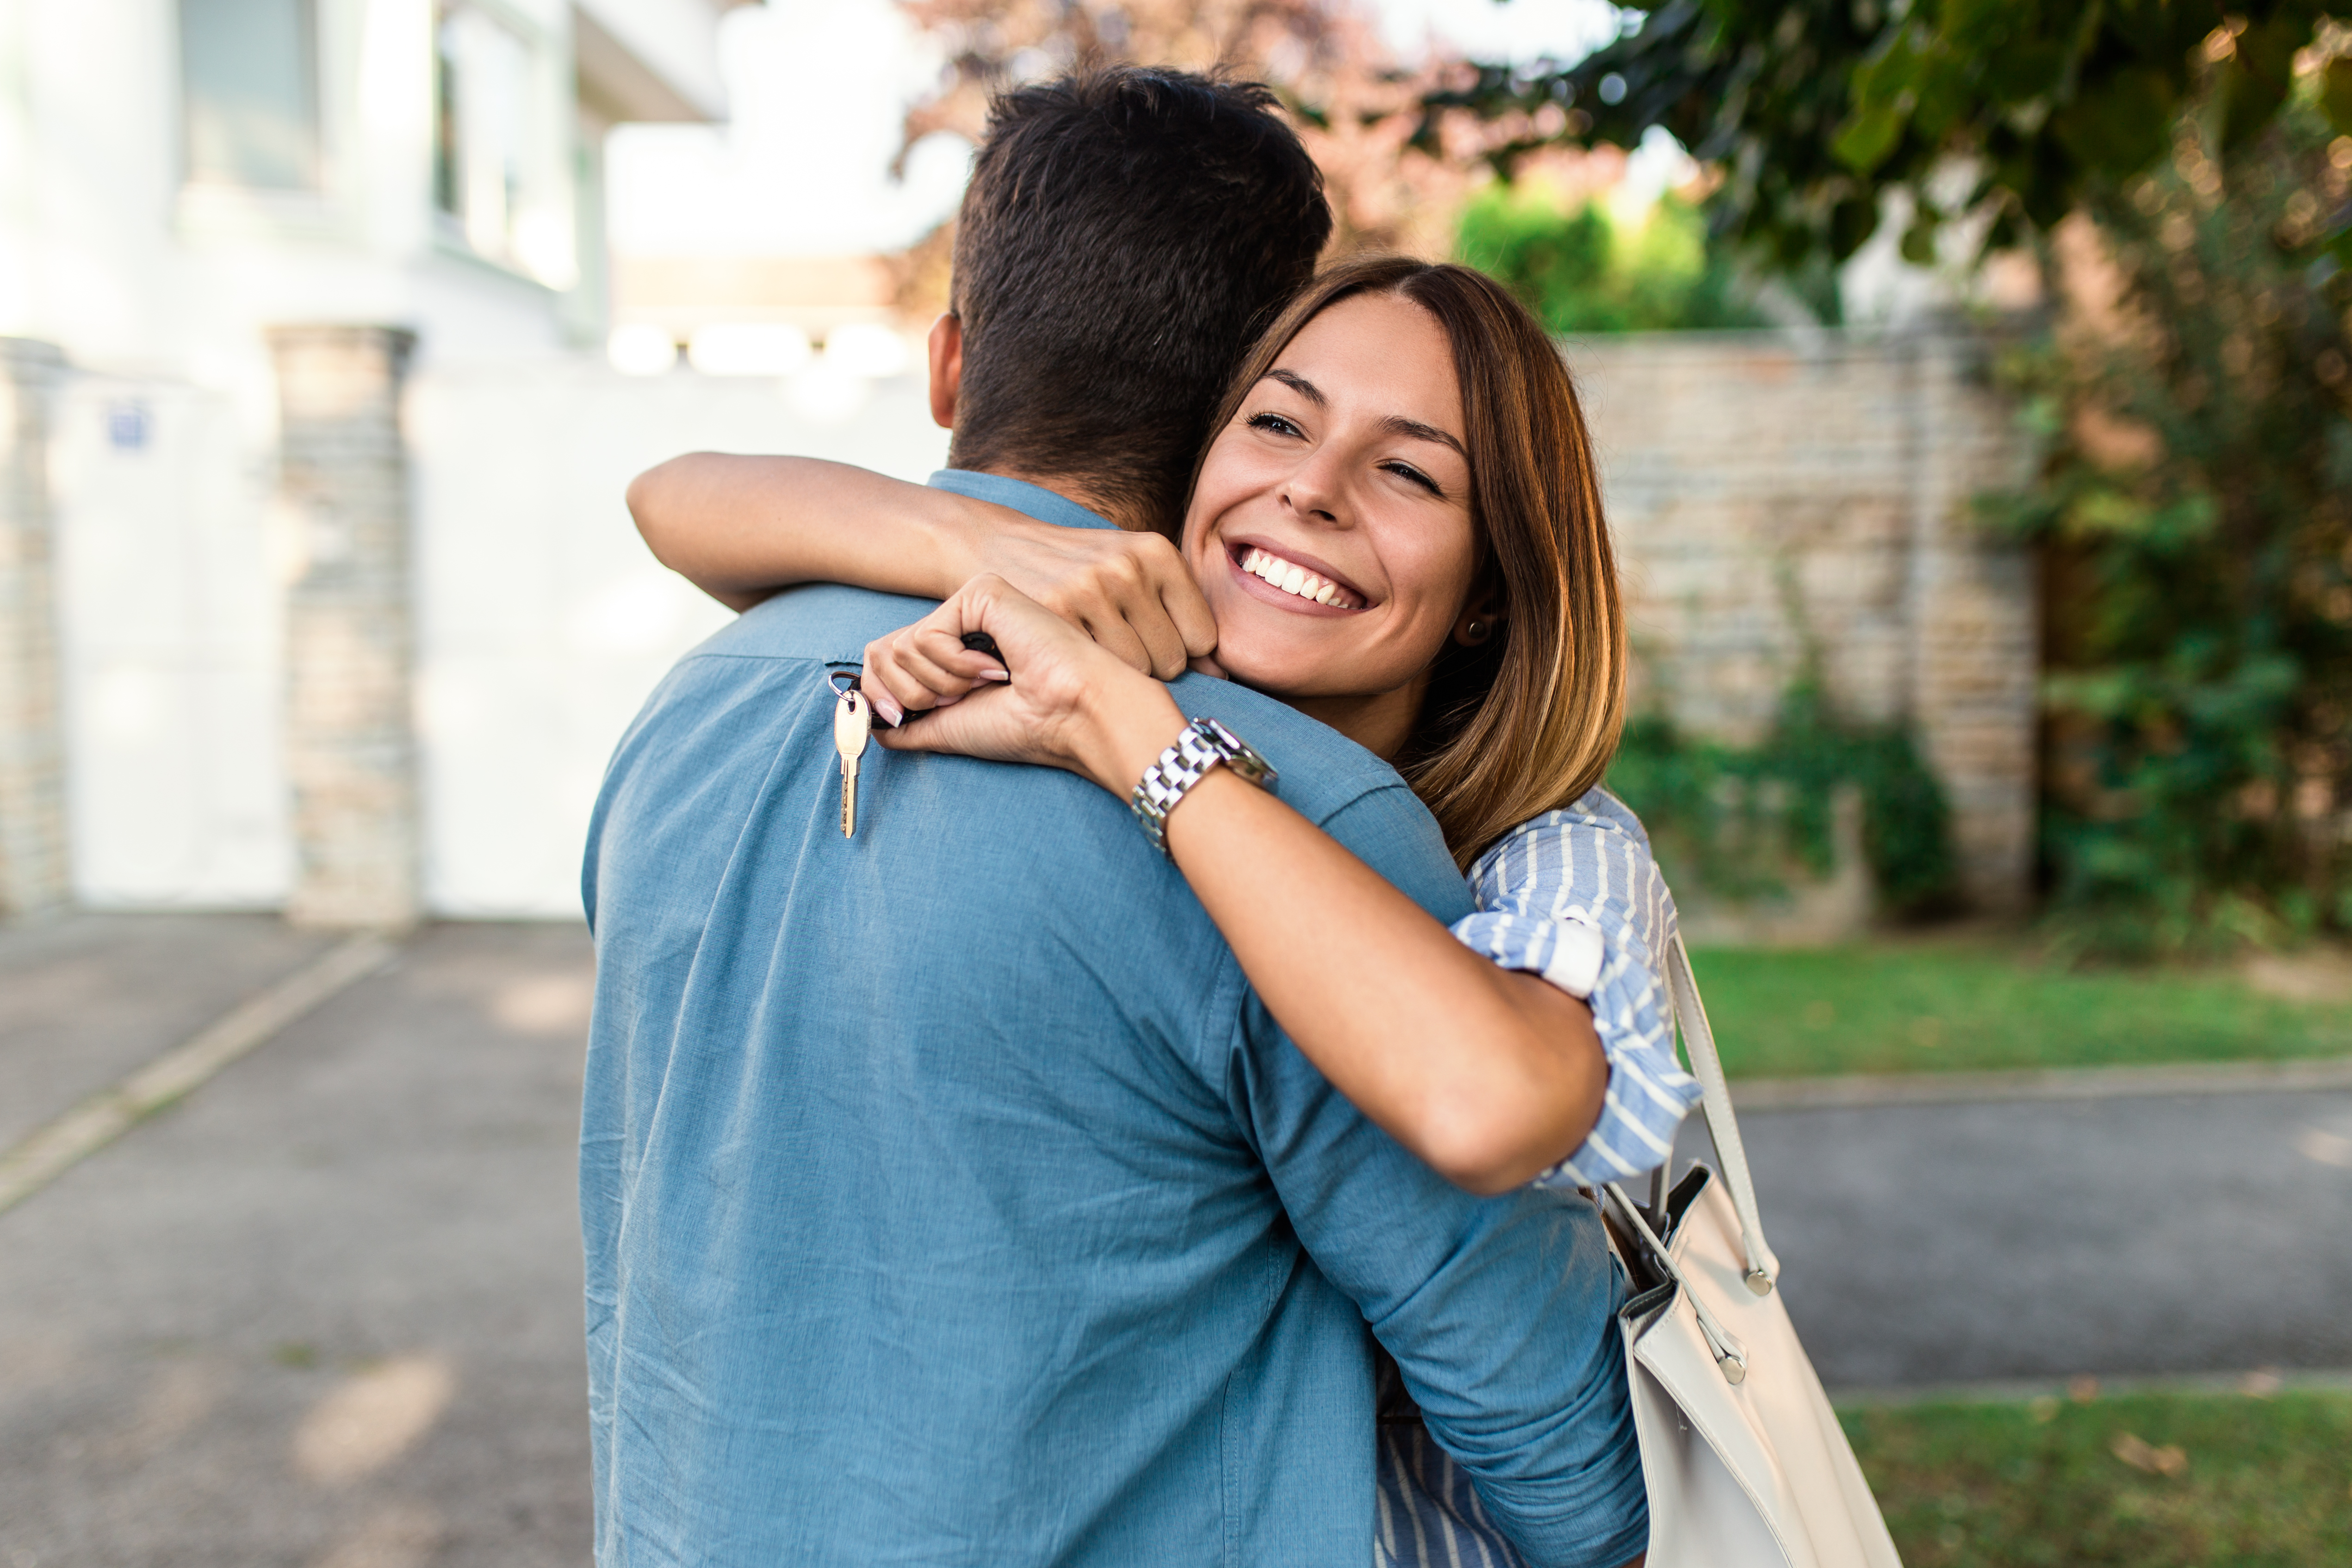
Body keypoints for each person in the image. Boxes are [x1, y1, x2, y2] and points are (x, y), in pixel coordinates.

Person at [583, 68, 1651, 1568]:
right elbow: (1566, 1464)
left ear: (950, 367)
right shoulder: (1286, 809)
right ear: (1228, 409)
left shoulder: (693, 707)